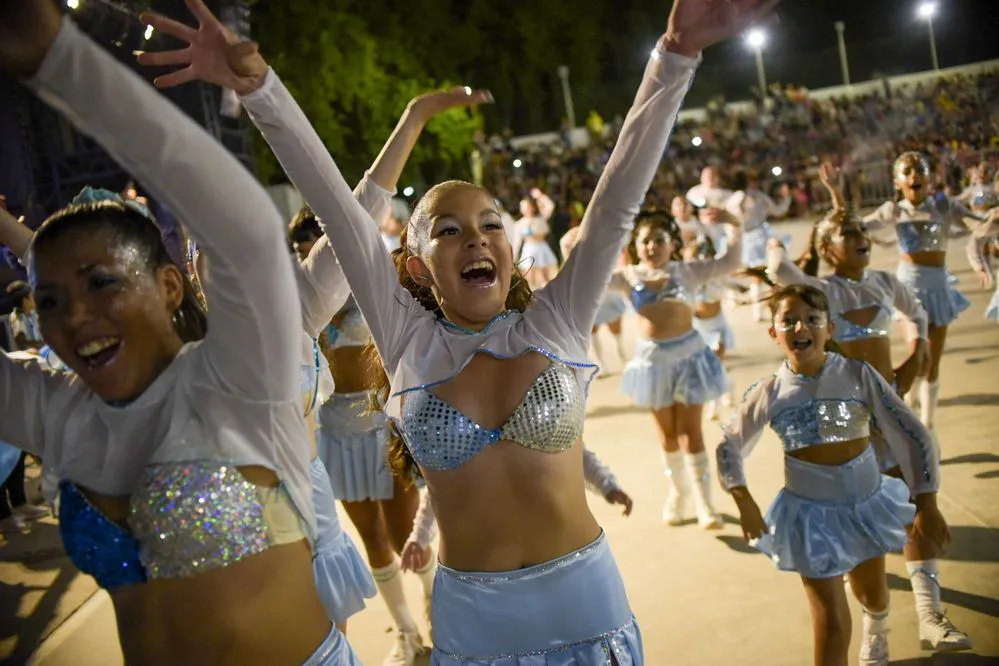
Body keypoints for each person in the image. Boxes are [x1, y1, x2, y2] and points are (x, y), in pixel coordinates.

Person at [144, 0, 780, 660]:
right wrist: (260, 89)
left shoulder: (557, 319)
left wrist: (674, 55)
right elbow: (337, 207)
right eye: (449, 230)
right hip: (474, 621)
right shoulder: (406, 338)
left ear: (509, 248)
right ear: (420, 265)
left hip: (586, 605)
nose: (475, 238)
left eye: (490, 224)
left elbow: (616, 200)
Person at [0, 1, 356, 662]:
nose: (74, 316)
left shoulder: (237, 378)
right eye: (49, 300)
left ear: (168, 285)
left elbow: (248, 232)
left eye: (101, 283)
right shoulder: (55, 411)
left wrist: (60, 59)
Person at [717, 284, 948, 666]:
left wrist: (928, 500)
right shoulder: (770, 391)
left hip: (864, 506)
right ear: (773, 332)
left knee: (872, 595)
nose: (800, 328)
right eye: (788, 321)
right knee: (830, 618)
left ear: (830, 329)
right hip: (809, 518)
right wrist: (743, 500)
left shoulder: (858, 375)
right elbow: (729, 444)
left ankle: (876, 627)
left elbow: (912, 433)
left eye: (812, 319)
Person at [613, 211, 742, 528]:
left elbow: (730, 262)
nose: (652, 246)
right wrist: (577, 243)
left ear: (672, 244)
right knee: (668, 436)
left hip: (689, 360)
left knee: (691, 434)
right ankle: (678, 493)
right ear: (636, 246)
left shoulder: (687, 271)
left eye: (659, 240)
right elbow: (587, 277)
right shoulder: (627, 276)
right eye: (645, 241)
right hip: (653, 366)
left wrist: (734, 225)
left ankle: (704, 503)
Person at [862, 152, 994, 430]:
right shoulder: (894, 210)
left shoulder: (944, 206)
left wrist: (991, 219)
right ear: (897, 182)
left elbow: (976, 224)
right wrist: (836, 195)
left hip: (939, 288)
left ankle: (927, 424)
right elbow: (857, 227)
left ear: (930, 178)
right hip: (908, 290)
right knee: (919, 357)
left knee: (932, 363)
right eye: (907, 171)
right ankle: (910, 408)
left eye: (920, 170)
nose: (914, 176)